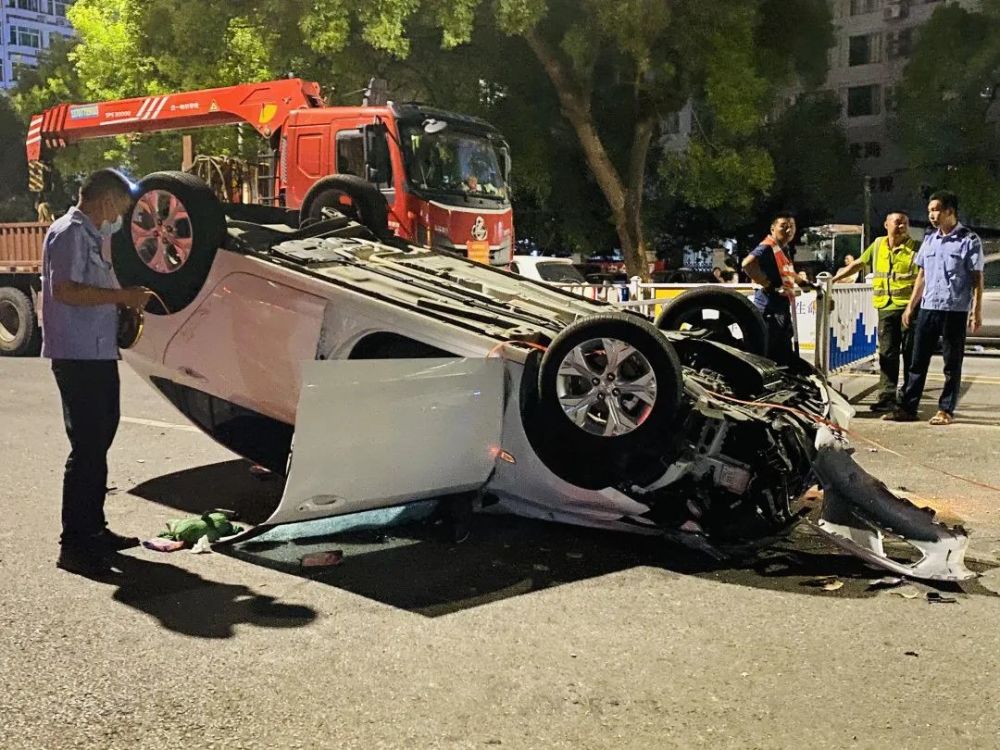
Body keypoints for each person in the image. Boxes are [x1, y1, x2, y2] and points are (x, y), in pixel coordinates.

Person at [42, 169, 153, 576]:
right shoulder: (68, 232)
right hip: (76, 357)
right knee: (87, 447)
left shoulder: (91, 236)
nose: (121, 215)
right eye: (121, 206)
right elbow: (65, 290)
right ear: (106, 199)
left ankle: (94, 529)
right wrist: (122, 295)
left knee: (99, 443)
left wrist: (121, 305)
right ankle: (74, 543)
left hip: (98, 353)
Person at [883, 191, 984, 425]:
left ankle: (946, 410)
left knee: (951, 362)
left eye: (936, 210)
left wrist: (976, 310)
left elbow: (977, 277)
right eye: (930, 211)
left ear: (950, 211)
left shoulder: (969, 240)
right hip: (929, 306)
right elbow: (922, 275)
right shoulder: (930, 239)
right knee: (917, 360)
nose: (932, 215)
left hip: (954, 309)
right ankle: (908, 407)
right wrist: (911, 306)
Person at [833, 212, 919, 412]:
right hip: (886, 307)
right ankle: (886, 397)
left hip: (909, 309)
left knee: (910, 355)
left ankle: (907, 397)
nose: (901, 227)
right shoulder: (878, 244)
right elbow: (858, 264)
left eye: (905, 223)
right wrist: (835, 280)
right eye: (897, 223)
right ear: (886, 224)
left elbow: (923, 276)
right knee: (887, 354)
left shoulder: (916, 248)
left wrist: (914, 306)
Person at [741, 211, 811, 365]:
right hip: (769, 311)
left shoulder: (781, 249)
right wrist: (769, 285)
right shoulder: (767, 246)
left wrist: (803, 283)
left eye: (791, 227)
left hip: (780, 308)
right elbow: (747, 264)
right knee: (767, 355)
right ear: (773, 229)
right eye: (783, 226)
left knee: (782, 352)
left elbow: (786, 272)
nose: (788, 230)